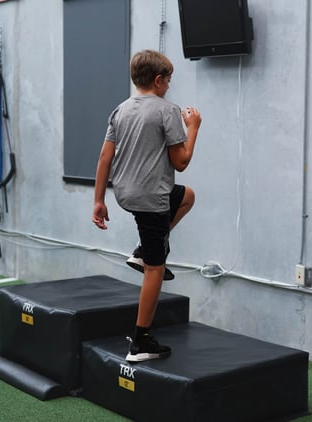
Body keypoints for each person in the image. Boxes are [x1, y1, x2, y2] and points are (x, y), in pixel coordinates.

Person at [92, 49, 201, 362]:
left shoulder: (120, 110)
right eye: (168, 81)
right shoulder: (168, 111)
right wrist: (193, 127)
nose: (169, 86)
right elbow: (181, 161)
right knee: (157, 267)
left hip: (124, 194)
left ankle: (143, 249)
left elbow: (104, 158)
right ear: (158, 80)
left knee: (187, 196)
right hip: (150, 199)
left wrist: (98, 200)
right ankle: (141, 341)